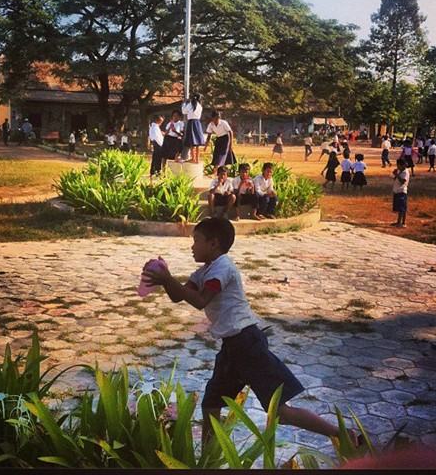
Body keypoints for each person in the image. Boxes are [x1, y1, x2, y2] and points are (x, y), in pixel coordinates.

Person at [140, 217, 360, 454]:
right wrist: (164, 279)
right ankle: (208, 459)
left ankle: (342, 434)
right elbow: (179, 296)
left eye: (196, 241)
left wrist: (168, 279)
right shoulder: (203, 271)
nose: (192, 246)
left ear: (213, 244)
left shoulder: (223, 267)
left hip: (248, 345)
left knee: (280, 412)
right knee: (211, 404)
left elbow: (200, 301)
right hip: (232, 349)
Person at [182, 92, 204, 164]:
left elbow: (184, 111)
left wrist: (184, 104)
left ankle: (193, 158)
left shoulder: (190, 105)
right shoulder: (200, 106)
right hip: (197, 123)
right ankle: (197, 158)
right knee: (197, 142)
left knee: (191, 142)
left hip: (191, 123)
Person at [391, 158, 410, 228]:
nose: (397, 167)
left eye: (398, 165)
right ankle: (399, 222)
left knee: (402, 208)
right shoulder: (400, 172)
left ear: (402, 165)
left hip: (402, 191)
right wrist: (395, 174)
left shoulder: (405, 172)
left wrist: (397, 175)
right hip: (397, 190)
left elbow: (403, 181)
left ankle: (403, 223)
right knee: (400, 208)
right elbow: (394, 178)